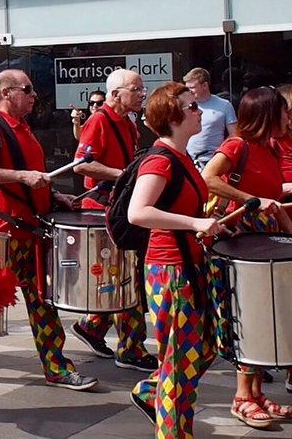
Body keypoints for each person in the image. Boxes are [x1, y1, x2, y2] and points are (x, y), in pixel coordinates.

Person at [0, 69, 97, 391]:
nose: (34, 95)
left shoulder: (23, 128)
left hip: (30, 231)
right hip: (5, 232)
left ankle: (56, 367)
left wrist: (53, 195)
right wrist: (23, 177)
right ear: (7, 92)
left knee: (43, 301)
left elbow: (30, 177)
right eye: (28, 89)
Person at [125, 81, 224, 437]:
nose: (198, 111)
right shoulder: (160, 161)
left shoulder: (180, 157)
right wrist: (194, 222)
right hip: (170, 271)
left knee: (202, 350)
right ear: (173, 116)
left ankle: (151, 391)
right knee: (179, 367)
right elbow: (138, 212)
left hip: (186, 266)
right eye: (191, 107)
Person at [200, 86, 292, 428]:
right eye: (284, 112)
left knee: (265, 315)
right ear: (268, 113)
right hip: (239, 241)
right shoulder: (237, 145)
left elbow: (273, 200)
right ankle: (241, 396)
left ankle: (255, 394)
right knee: (248, 316)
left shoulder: (269, 148)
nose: (288, 118)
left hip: (264, 239)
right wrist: (249, 197)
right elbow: (207, 178)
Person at [70, 69, 157, 372]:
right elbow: (82, 166)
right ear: (116, 93)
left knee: (120, 276)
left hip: (118, 207)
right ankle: (130, 347)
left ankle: (93, 326)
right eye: (137, 89)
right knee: (125, 278)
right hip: (103, 209)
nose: (142, 94)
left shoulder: (127, 122)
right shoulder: (98, 121)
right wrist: (123, 176)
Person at [183, 67, 238, 167]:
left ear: (204, 85)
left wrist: (223, 155)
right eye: (187, 88)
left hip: (214, 161)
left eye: (192, 88)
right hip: (187, 161)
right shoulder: (185, 106)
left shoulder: (224, 105)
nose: (189, 91)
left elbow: (235, 135)